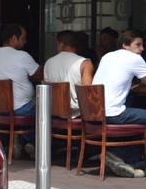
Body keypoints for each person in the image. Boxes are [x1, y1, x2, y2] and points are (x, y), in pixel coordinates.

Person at [92, 29, 146, 178]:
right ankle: (121, 156)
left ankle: (131, 159)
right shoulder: (135, 58)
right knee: (140, 115)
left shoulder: (107, 56)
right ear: (125, 45)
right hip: (113, 114)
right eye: (138, 45)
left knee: (137, 117)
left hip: (94, 114)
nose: (142, 49)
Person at [0, 24, 43, 157]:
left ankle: (21, 140)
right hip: (21, 107)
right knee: (46, 108)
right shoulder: (22, 56)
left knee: (34, 107)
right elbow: (40, 75)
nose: (25, 41)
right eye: (23, 38)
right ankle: (34, 143)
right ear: (14, 39)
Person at [44, 30, 94, 118]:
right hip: (78, 114)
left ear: (61, 44)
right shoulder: (84, 63)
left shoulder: (48, 62)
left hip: (54, 114)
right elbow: (87, 92)